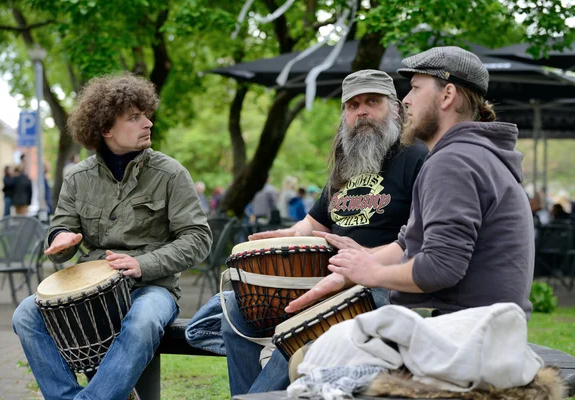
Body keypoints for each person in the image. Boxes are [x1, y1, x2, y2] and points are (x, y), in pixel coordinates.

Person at [288, 47, 535, 336]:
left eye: (416, 89)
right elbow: (409, 243)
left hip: (464, 336)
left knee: (308, 347)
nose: (405, 100)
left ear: (447, 95)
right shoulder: (469, 155)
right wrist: (348, 275)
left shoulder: (453, 161)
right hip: (482, 328)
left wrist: (372, 274)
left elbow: (440, 267)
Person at [221, 69, 428, 396]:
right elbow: (313, 224)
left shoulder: (416, 158)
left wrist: (365, 263)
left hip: (381, 284)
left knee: (296, 333)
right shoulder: (345, 164)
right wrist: (283, 237)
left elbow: (420, 242)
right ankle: (251, 392)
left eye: (372, 102)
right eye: (352, 104)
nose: (361, 111)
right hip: (324, 276)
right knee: (234, 309)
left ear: (395, 108)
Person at [12, 73, 212, 400]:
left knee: (144, 321)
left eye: (146, 114)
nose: (147, 123)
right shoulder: (77, 178)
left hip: (152, 287)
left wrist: (143, 263)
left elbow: (198, 238)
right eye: (134, 117)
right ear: (105, 129)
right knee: (25, 314)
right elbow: (60, 232)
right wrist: (61, 240)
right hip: (90, 292)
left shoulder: (171, 173)